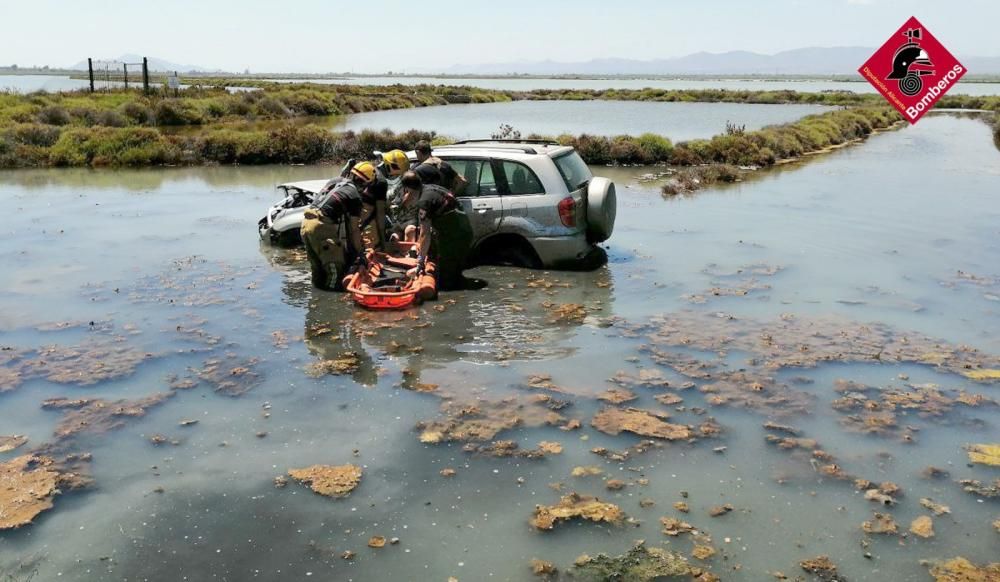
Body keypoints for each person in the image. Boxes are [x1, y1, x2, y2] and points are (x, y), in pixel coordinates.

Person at [300, 161, 376, 291]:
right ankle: (331, 304)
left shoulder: (335, 181)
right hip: (321, 226)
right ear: (365, 183)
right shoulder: (354, 197)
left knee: (317, 268)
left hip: (306, 223)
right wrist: (360, 254)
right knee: (335, 270)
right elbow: (354, 230)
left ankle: (314, 301)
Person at [400, 171, 474, 291]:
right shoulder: (430, 188)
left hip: (455, 237)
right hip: (463, 232)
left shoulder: (424, 202)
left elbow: (425, 233)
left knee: (446, 279)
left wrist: (420, 262)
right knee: (453, 271)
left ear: (408, 189)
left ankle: (454, 300)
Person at [361, 149, 409, 251]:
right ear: (389, 166)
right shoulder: (381, 181)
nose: (395, 177)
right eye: (395, 174)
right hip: (364, 215)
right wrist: (383, 242)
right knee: (372, 248)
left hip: (357, 212)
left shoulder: (372, 172)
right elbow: (380, 213)